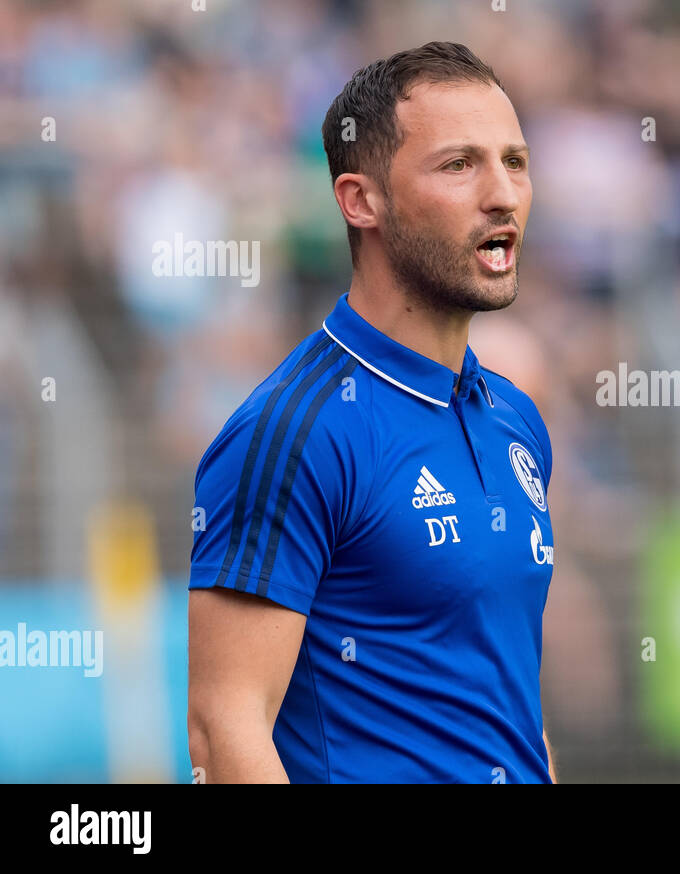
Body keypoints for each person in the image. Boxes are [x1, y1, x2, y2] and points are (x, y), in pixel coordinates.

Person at [186, 42, 556, 783]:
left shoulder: (515, 418)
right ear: (361, 201)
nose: (503, 195)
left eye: (514, 162)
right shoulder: (294, 432)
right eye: (459, 165)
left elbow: (509, 710)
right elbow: (223, 729)